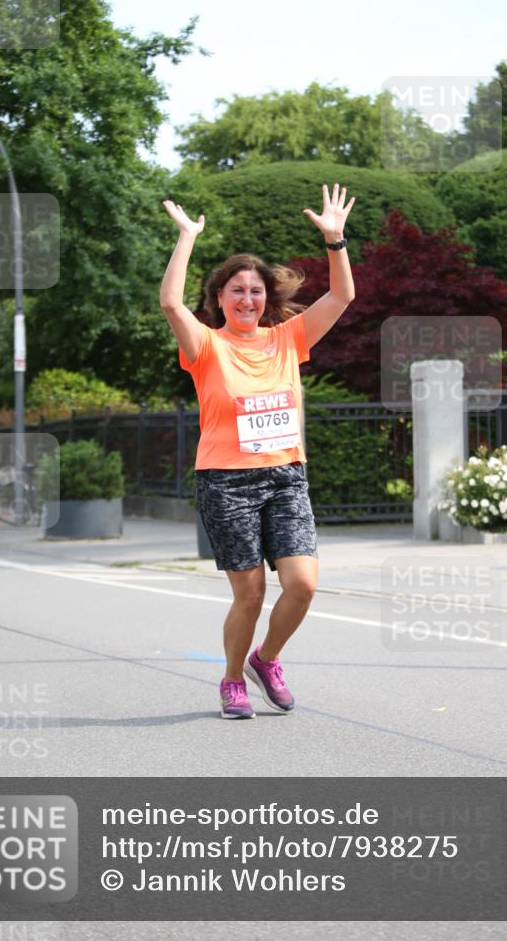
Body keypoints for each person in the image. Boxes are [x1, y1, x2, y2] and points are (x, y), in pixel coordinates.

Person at [160, 184, 356, 719]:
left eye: (255, 291)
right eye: (237, 291)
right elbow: (170, 303)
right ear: (219, 298)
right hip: (226, 482)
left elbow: (341, 297)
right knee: (248, 595)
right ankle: (231, 680)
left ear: (266, 298)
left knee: (303, 584)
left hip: (285, 477)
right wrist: (187, 236)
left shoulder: (288, 339)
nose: (247, 299)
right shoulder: (206, 345)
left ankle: (265, 659)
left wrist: (335, 240)